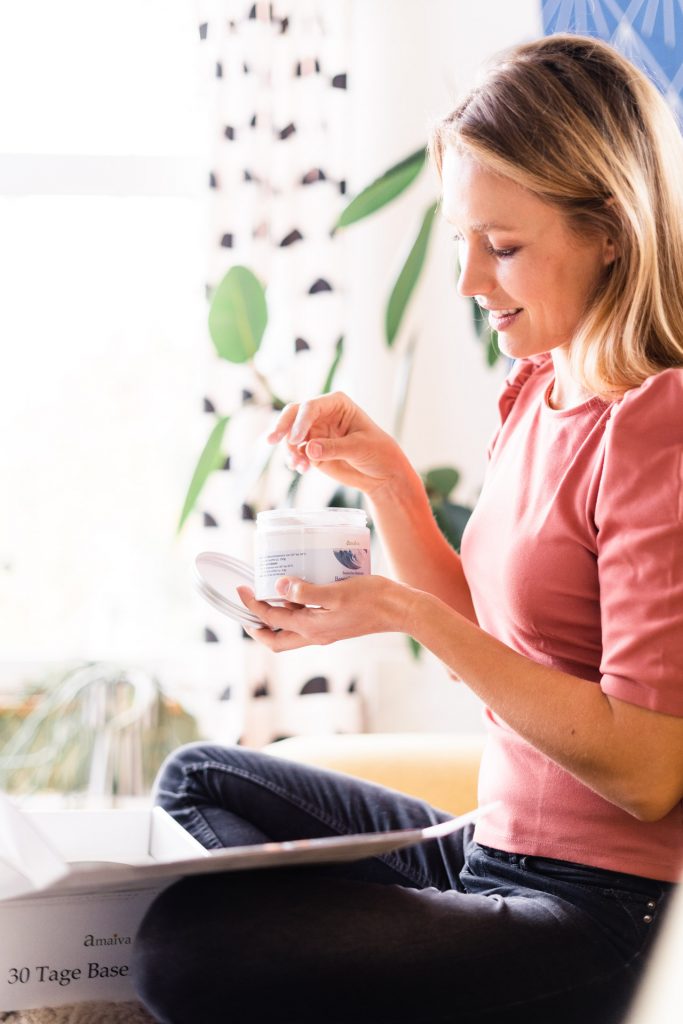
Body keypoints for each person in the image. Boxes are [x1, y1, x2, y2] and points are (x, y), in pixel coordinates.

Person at [132, 33, 683, 1024]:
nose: (470, 280)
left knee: (183, 949)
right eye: (461, 238)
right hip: (491, 847)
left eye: (502, 246)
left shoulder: (657, 423)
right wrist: (390, 482)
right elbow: (502, 643)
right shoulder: (537, 389)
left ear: (610, 229)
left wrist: (397, 610)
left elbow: (647, 772)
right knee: (197, 774)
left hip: (604, 907)